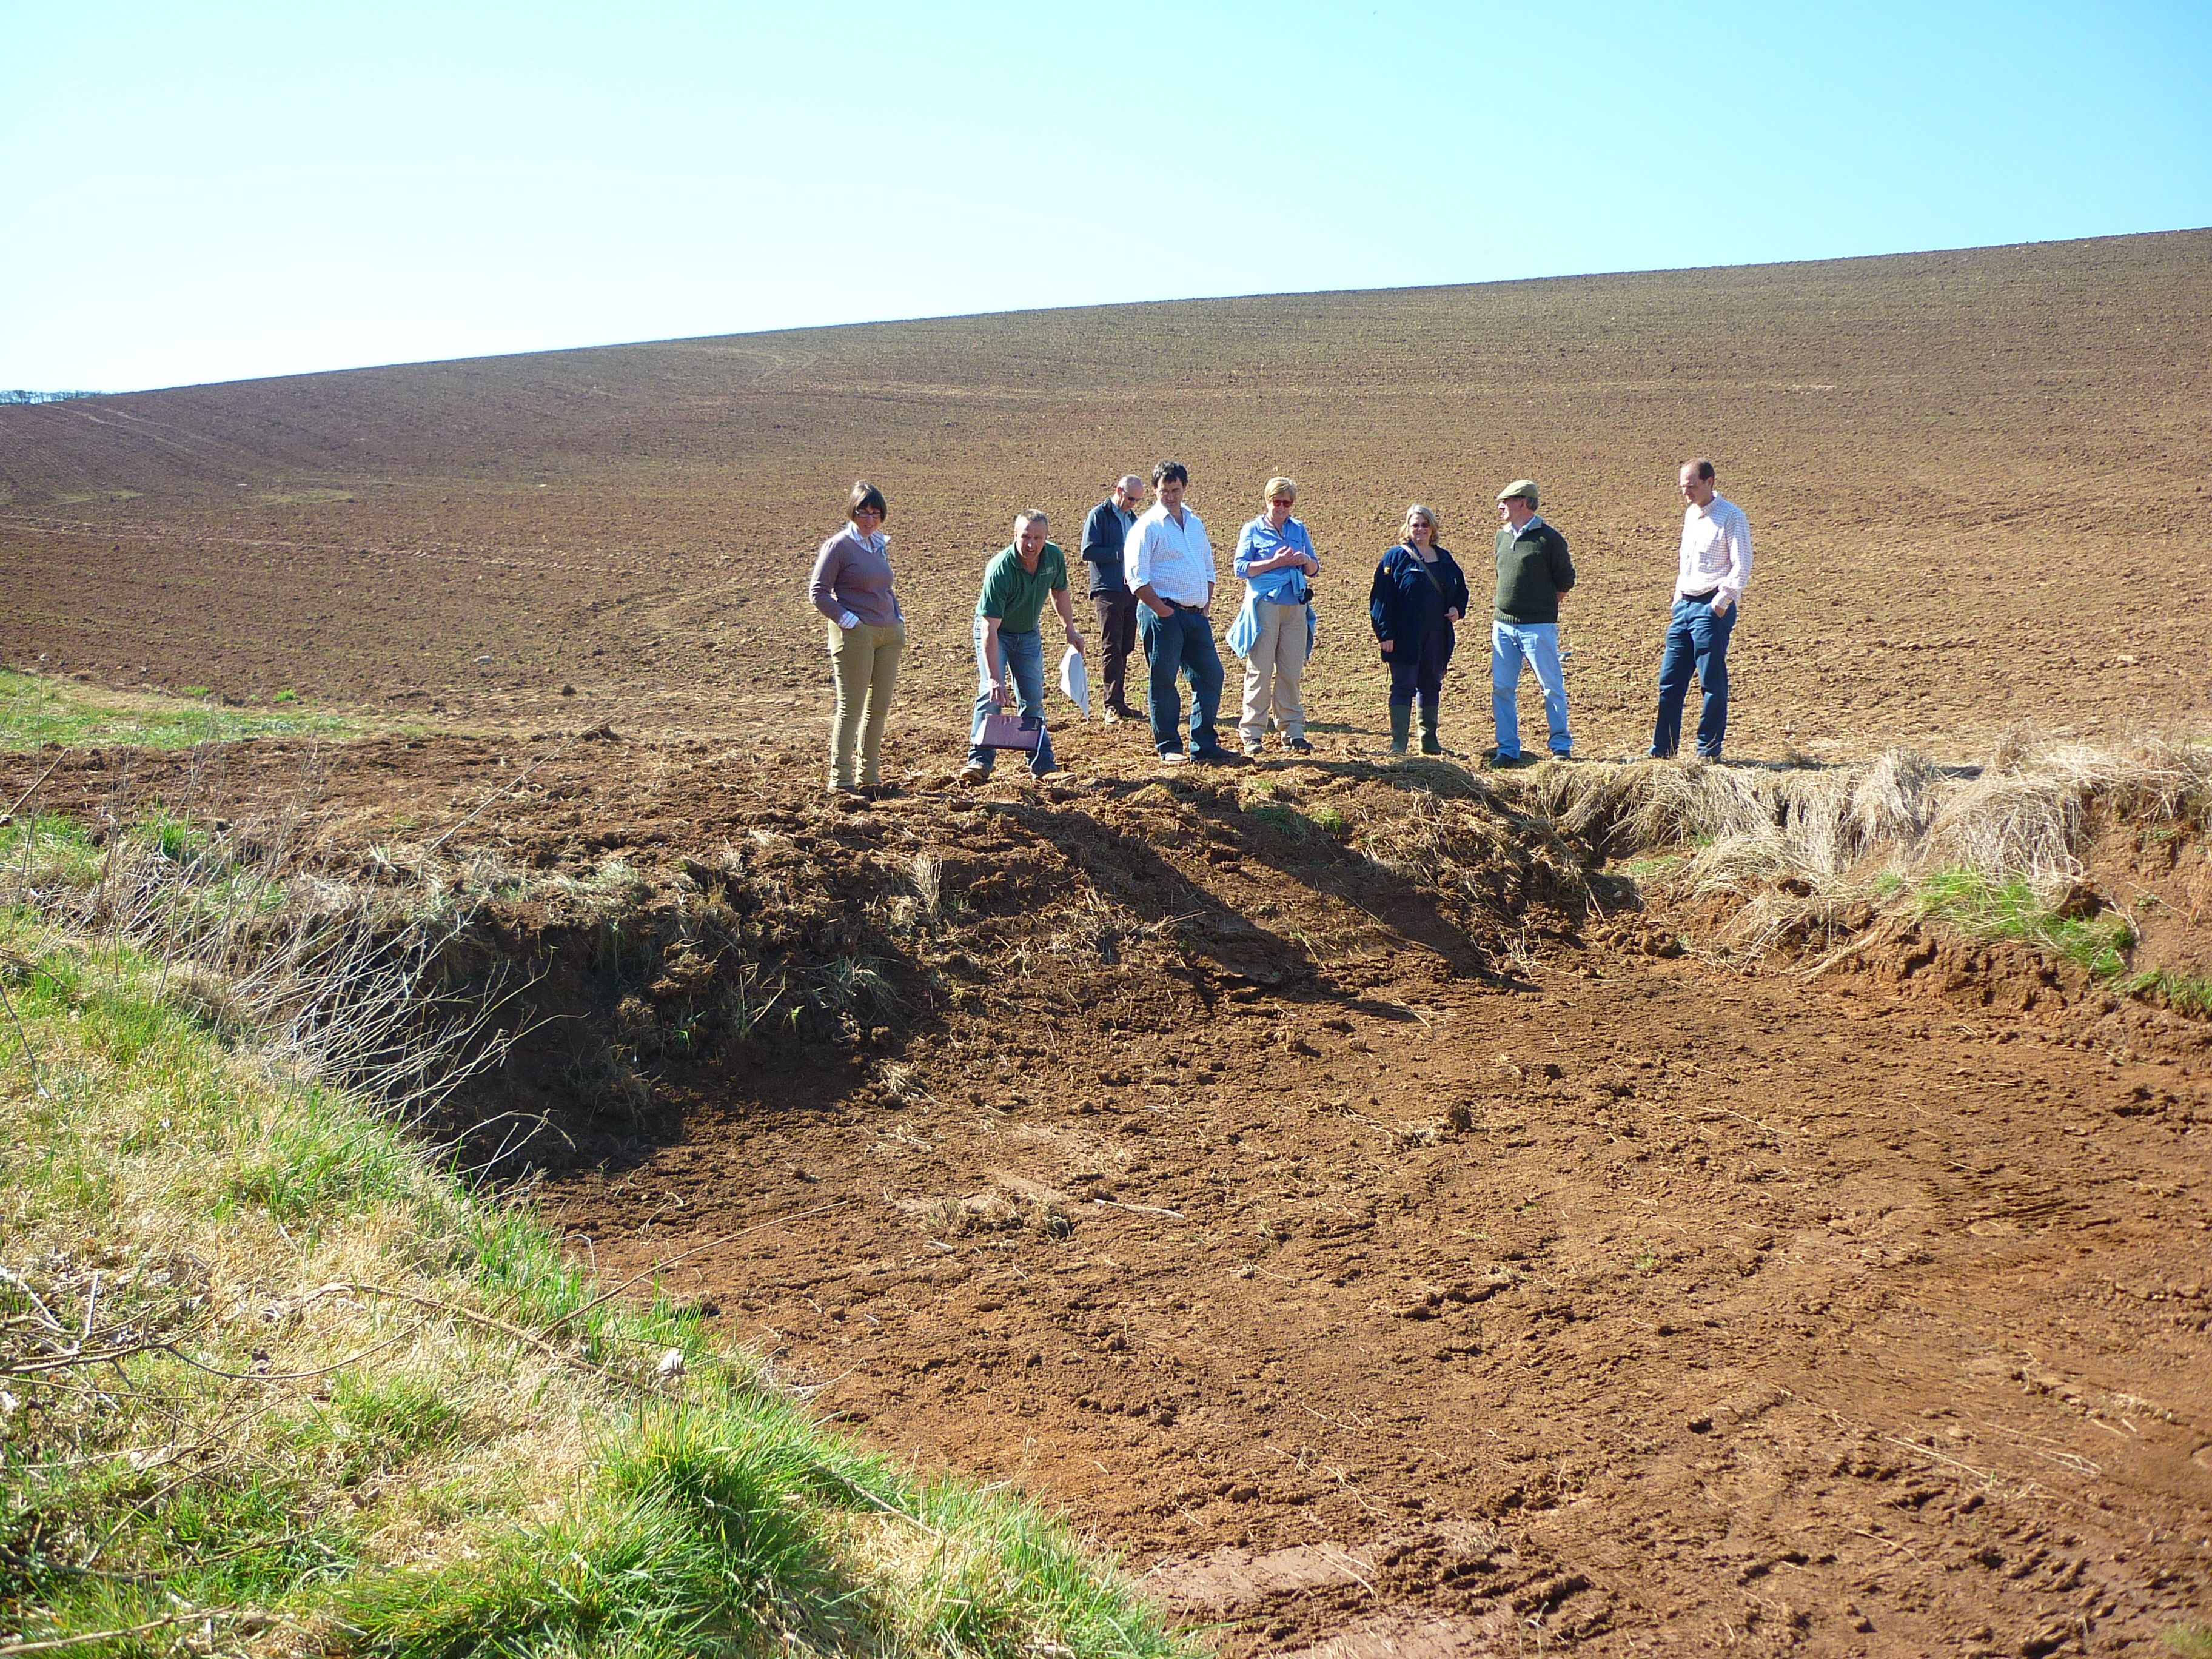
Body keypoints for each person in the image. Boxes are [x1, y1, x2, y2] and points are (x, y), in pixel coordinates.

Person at [958, 511, 1084, 785]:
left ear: (1046, 538)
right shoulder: (1000, 568)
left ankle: (1043, 766)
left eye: (1037, 537)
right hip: (997, 634)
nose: (1031, 544)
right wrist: (994, 677)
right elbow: (989, 627)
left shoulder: (1053, 557)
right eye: (1026, 536)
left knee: (1033, 699)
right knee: (991, 696)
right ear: (1015, 535)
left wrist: (1069, 628)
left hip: (1028, 634)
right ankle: (979, 761)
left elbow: (1059, 591)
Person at [1127, 460, 1235, 765]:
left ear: (1184, 488)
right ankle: (1169, 746)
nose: (1171, 497)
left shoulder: (1195, 523)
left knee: (1211, 674)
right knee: (1163, 680)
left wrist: (1206, 604)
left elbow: (1208, 566)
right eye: (1165, 491)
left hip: (1196, 616)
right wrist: (1163, 611)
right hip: (1163, 615)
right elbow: (1136, 578)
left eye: (1176, 490)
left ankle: (1204, 745)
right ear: (1154, 490)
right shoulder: (1147, 527)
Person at [1650, 457, 1753, 760]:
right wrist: (1677, 600)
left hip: (1711, 607)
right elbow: (1686, 563)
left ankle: (1708, 752)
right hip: (1685, 607)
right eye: (1683, 487)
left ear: (1710, 482)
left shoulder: (1732, 517)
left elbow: (1742, 564)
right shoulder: (1690, 515)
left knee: (1711, 683)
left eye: (1692, 486)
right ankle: (1663, 752)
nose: (1686, 493)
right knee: (1669, 682)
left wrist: (1720, 604)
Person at [808, 480, 906, 795]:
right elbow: (818, 593)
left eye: (876, 513)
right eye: (863, 512)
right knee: (851, 707)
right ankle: (842, 778)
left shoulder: (878, 544)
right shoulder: (838, 546)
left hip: (888, 633)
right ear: (852, 512)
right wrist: (850, 621)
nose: (870, 519)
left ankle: (870, 775)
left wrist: (898, 617)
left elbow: (885, 586)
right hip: (856, 635)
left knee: (879, 708)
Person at [1367, 504, 1469, 755]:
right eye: (1415, 525)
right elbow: (1381, 598)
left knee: (1431, 684)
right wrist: (1385, 634)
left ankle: (1429, 741)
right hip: (1404, 636)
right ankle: (1399, 743)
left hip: (1437, 635)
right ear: (1407, 528)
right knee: (1403, 686)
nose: (1420, 529)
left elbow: (1461, 590)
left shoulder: (1444, 558)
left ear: (1433, 527)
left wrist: (1458, 608)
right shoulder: (1395, 557)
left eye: (1425, 525)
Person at [1488, 479, 1576, 767]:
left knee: (1551, 686)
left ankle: (1561, 746)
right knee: (1502, 688)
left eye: (1507, 500)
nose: (1501, 506)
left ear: (1523, 503)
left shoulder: (1548, 540)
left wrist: (1542, 607)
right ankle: (1508, 748)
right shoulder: (1501, 537)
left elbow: (1565, 580)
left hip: (1538, 627)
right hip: (1503, 626)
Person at [1232, 477, 1321, 756]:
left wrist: (1304, 561)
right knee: (1260, 671)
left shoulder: (1298, 529)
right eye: (1277, 501)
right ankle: (1252, 733)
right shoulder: (1253, 530)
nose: (1282, 506)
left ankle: (1293, 731)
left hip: (1296, 608)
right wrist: (1275, 563)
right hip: (1265, 607)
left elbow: (1315, 568)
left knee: (1291, 672)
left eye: (1287, 502)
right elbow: (1241, 568)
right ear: (1267, 501)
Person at [1081, 475, 1147, 723]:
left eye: (1138, 500)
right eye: (1130, 498)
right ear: (1118, 490)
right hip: (1108, 590)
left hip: (1131, 589)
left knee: (1125, 646)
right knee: (1111, 645)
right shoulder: (1099, 515)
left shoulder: (1132, 518)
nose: (1133, 504)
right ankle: (1111, 704)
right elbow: (1088, 550)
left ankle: (1119, 700)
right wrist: (1123, 553)